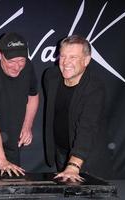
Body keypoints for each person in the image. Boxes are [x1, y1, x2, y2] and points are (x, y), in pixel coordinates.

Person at [43, 35, 108, 182]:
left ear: (86, 60)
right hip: (61, 152)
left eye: (73, 57)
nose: (66, 62)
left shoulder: (94, 87)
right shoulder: (50, 76)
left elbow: (87, 127)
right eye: (63, 56)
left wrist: (73, 165)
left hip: (85, 156)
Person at [0, 32, 39, 176]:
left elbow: (33, 95)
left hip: (12, 141)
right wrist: (2, 161)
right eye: (11, 61)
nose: (17, 67)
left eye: (21, 60)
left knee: (14, 185)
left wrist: (27, 125)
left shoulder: (27, 67)